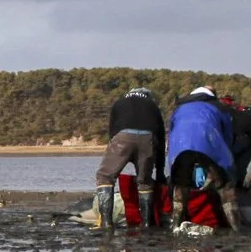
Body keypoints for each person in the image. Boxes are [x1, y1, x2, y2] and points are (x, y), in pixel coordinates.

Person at [163, 87, 242, 232]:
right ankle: (236, 228)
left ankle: (175, 225)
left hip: (180, 147)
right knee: (225, 186)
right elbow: (228, 135)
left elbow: (172, 131)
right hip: (209, 143)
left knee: (181, 185)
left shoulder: (179, 109)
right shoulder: (219, 107)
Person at [94, 87, 164, 228]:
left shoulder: (119, 102)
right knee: (144, 181)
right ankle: (146, 223)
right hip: (148, 139)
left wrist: (115, 147)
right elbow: (161, 138)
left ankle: (106, 223)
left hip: (123, 137)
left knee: (105, 177)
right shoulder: (153, 105)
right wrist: (160, 170)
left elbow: (112, 131)